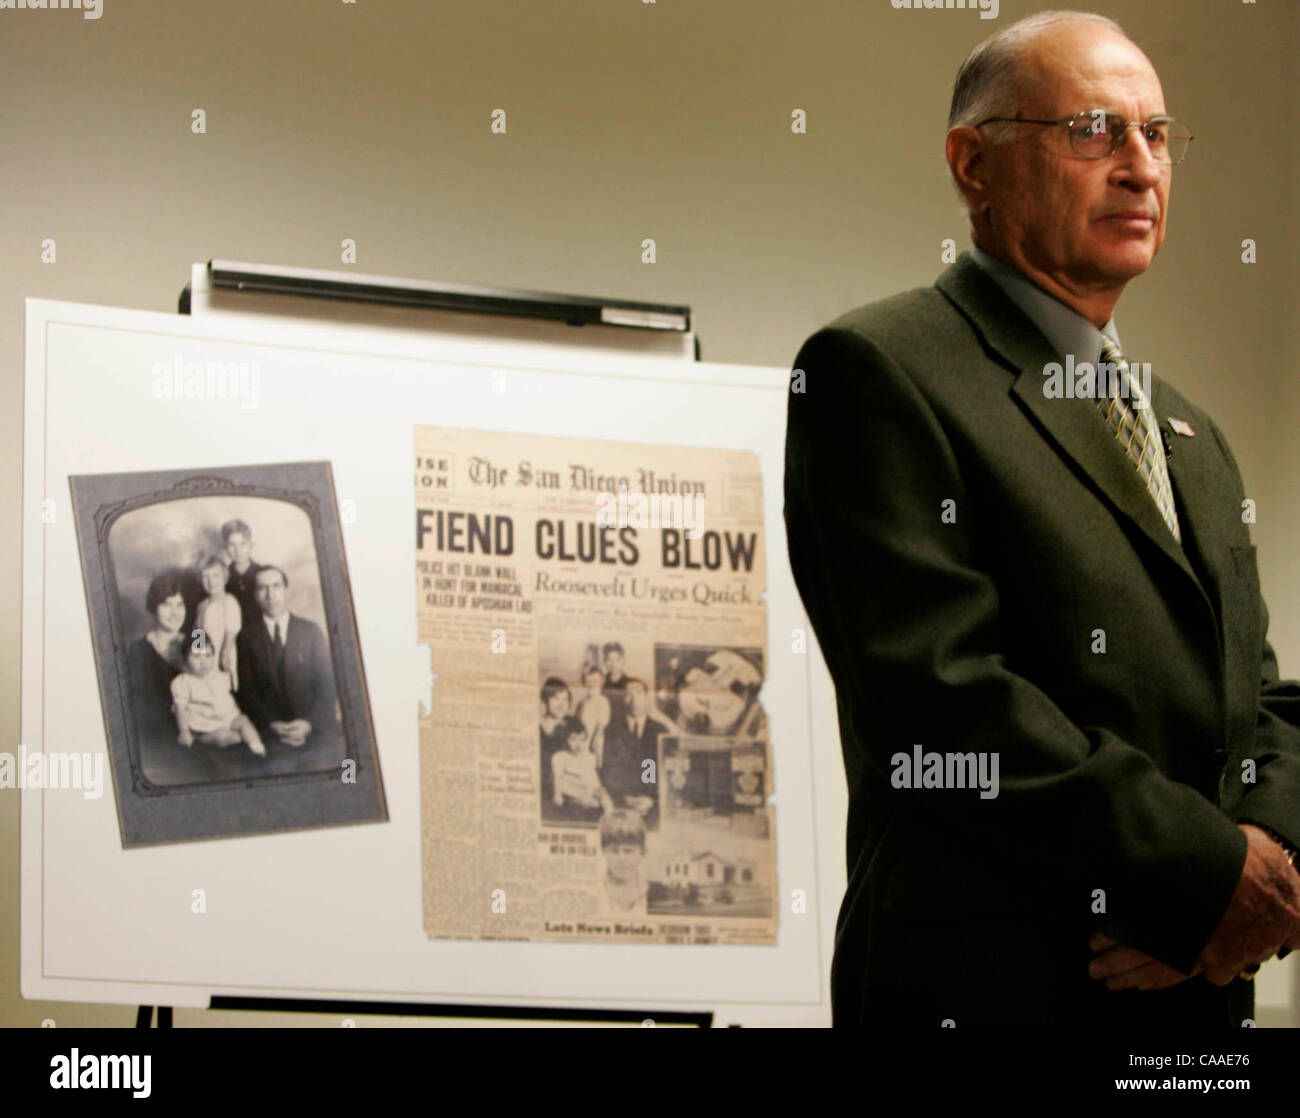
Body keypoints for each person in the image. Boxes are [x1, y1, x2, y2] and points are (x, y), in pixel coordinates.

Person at [784, 10, 1300, 1028]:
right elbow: (948, 706)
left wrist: (1272, 868)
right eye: (1093, 130)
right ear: (972, 165)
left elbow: (1261, 698)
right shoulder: (877, 370)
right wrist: (1199, 883)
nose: (1140, 166)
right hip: (993, 993)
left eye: (1156, 135)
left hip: (1194, 1005)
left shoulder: (1186, 428)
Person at [235, 566, 342, 767]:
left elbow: (328, 686)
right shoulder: (246, 637)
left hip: (316, 729)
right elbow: (247, 692)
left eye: (276, 586)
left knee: (331, 768)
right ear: (255, 595)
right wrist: (272, 724)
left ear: (287, 590)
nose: (270, 594)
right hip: (272, 733)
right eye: (262, 588)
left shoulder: (311, 632)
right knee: (278, 771)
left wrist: (309, 724)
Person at [171, 629, 266, 757]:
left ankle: (257, 747)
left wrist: (235, 715)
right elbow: (180, 709)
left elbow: (228, 699)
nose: (203, 662)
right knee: (226, 737)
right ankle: (199, 741)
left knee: (244, 721)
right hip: (204, 726)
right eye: (196, 656)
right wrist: (184, 731)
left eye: (208, 655)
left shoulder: (219, 677)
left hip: (227, 718)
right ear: (185, 659)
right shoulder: (183, 682)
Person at [600, 679, 667, 830]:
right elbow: (610, 769)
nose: (634, 700)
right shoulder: (612, 730)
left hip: (652, 804)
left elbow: (654, 768)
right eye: (628, 695)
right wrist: (625, 798)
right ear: (622, 698)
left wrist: (650, 798)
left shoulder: (659, 731)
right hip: (620, 802)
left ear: (647, 697)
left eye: (639, 694)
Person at [194, 554, 242, 691]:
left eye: (216, 576)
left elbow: (232, 630)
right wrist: (198, 657)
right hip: (206, 656)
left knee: (222, 687)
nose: (211, 581)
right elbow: (198, 632)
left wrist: (225, 653)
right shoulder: (202, 606)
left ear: (225, 577)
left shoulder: (229, 602)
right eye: (205, 577)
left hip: (222, 651)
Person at [550, 717, 609, 823]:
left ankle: (611, 819)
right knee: (588, 803)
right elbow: (557, 778)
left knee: (604, 798)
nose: (578, 744)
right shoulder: (560, 757)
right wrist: (557, 794)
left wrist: (598, 790)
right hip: (571, 791)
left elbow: (593, 778)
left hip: (588, 789)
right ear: (565, 739)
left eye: (582, 739)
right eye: (573, 739)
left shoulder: (589, 757)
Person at [599, 809, 648, 917]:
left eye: (628, 851)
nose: (621, 858)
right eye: (614, 851)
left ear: (643, 851)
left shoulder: (650, 891)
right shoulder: (595, 890)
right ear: (603, 851)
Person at [222, 519, 264, 628]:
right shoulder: (221, 577)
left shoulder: (263, 574)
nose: (238, 550)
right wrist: (199, 645)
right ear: (225, 547)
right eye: (232, 545)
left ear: (251, 545)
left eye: (242, 544)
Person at [538, 676, 573, 808]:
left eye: (565, 699)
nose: (561, 704)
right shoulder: (536, 726)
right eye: (556, 698)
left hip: (568, 792)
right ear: (546, 699)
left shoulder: (574, 725)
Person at [575, 664, 612, 767]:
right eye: (588, 681)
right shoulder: (581, 703)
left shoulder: (603, 701)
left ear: (602, 682)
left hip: (595, 741)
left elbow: (601, 726)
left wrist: (595, 745)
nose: (592, 684)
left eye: (595, 681)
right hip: (582, 740)